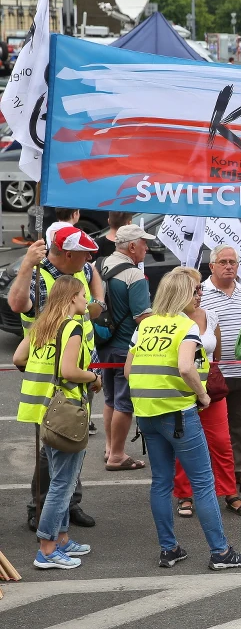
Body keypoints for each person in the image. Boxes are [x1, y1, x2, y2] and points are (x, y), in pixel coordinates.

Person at [126, 272, 241, 570]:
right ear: (183, 294)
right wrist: (203, 395)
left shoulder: (146, 326)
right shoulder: (186, 325)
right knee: (203, 483)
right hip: (179, 413)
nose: (199, 294)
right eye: (195, 290)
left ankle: (169, 549)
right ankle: (220, 552)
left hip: (146, 413)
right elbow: (186, 366)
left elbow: (128, 371)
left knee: (160, 482)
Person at [9, 228, 103, 532]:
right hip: (57, 381)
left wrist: (97, 297)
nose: (89, 258)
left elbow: (90, 306)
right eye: (84, 253)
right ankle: (42, 510)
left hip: (78, 378)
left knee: (73, 441)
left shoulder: (81, 270)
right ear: (66, 253)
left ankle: (67, 504)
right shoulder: (40, 277)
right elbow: (16, 303)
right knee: (53, 448)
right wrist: (26, 264)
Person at [16, 276, 101, 569]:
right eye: (82, 296)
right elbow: (69, 370)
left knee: (57, 477)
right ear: (72, 298)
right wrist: (93, 377)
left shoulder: (42, 323)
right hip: (66, 410)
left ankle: (62, 539)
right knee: (62, 483)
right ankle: (47, 548)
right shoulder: (72, 327)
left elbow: (18, 357)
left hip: (44, 407)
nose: (86, 301)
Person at [164, 268, 241, 518]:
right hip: (180, 390)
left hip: (209, 390)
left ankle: (229, 492)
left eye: (200, 289)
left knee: (222, 442)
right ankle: (185, 496)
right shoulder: (170, 319)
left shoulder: (210, 316)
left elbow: (216, 355)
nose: (199, 295)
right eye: (194, 290)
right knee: (184, 445)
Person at [99, 224, 155, 472]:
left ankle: (110, 448)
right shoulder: (135, 276)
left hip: (103, 345)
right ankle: (118, 456)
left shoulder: (101, 265)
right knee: (124, 404)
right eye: (144, 242)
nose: (147, 247)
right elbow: (142, 317)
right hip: (125, 348)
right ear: (132, 246)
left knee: (110, 400)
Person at [200, 245, 241, 489]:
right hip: (211, 375)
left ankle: (237, 473)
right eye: (223, 262)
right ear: (211, 266)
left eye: (233, 261)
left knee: (240, 426)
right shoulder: (201, 293)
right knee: (211, 430)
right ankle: (210, 475)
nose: (229, 266)